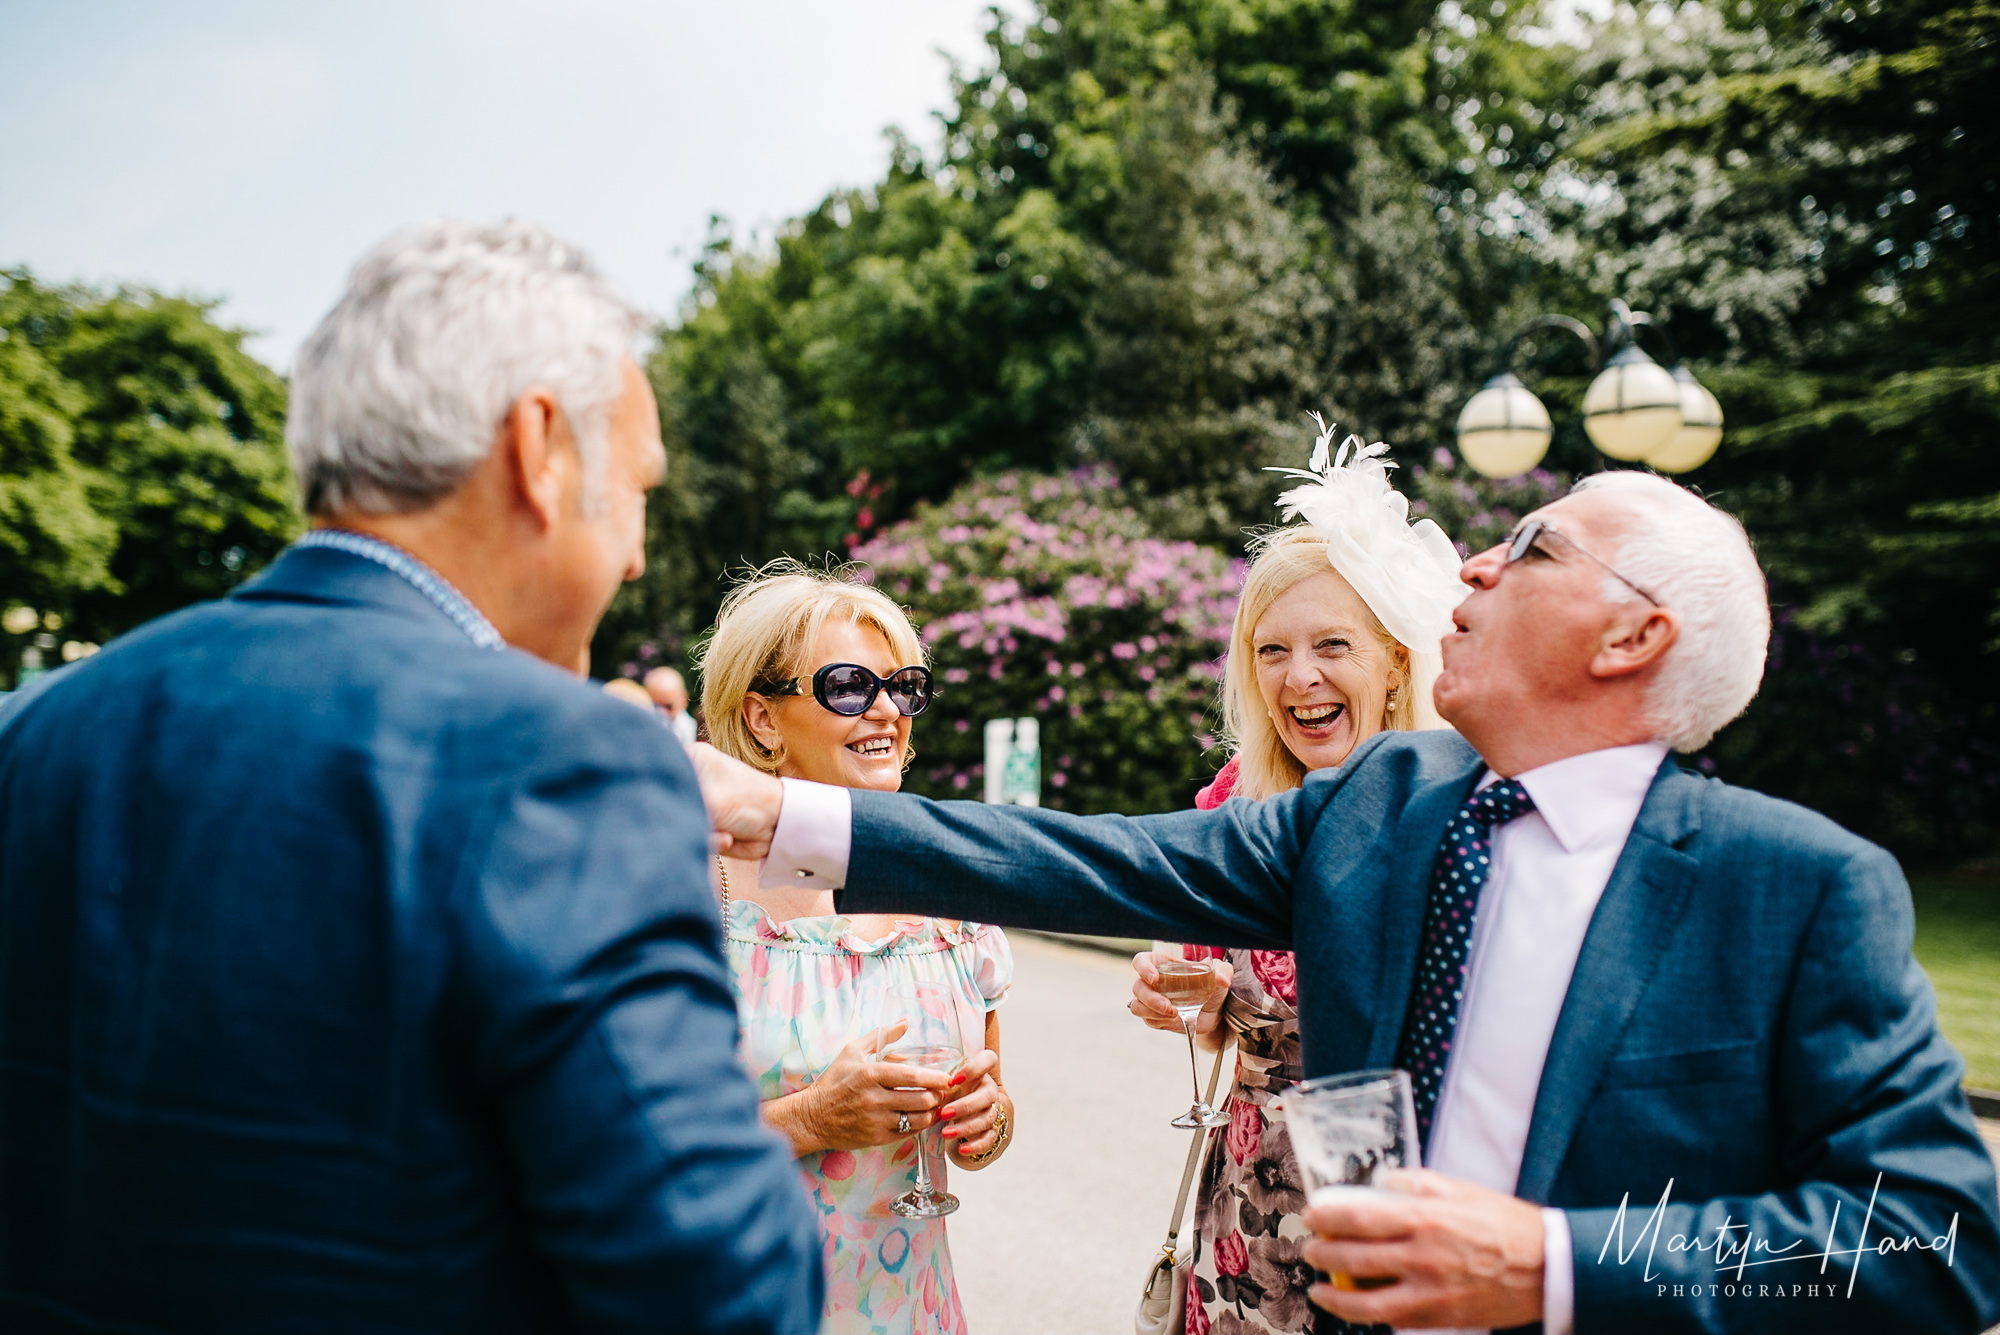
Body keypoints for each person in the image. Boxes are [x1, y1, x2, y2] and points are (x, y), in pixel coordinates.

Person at [693, 470, 2000, 1334]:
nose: (1473, 565)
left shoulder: (1802, 887)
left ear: (1630, 637)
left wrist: (1550, 1262)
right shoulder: (1385, 798)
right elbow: (1095, 859)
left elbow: (1933, 1236)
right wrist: (773, 815)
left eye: (1531, 546)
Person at [0, 220, 822, 1332]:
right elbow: (722, 1284)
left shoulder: (37, 725)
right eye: (636, 488)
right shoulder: (568, 760)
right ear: (540, 448)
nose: (634, 554)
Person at [1124, 427, 1467, 1335]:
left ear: (1396, 659)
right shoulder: (1232, 801)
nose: (1299, 676)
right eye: (1271, 650)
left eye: (1331, 645)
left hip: (1399, 1209)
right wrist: (1184, 998)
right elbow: (1212, 1023)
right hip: (1246, 1212)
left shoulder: (1454, 812)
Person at [698, 562, 1014, 1335]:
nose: (885, 710)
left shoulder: (954, 893)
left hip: (911, 1309)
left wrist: (987, 1118)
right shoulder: (699, 895)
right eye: (847, 686)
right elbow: (627, 1145)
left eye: (902, 686)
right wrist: (813, 1116)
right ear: (764, 719)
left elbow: (995, 1112)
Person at [647, 664, 700, 744]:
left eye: (668, 706)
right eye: (655, 706)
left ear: (684, 700)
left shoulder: (693, 731)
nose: (662, 713)